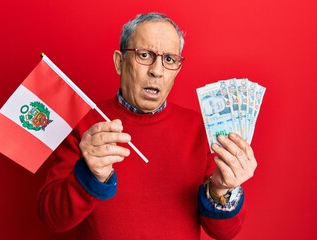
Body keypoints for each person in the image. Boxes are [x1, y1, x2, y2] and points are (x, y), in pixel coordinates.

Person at [38, 12, 257, 240]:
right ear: (119, 62)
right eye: (144, 55)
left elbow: (225, 232)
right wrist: (89, 175)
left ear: (177, 71)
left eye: (169, 60)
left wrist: (222, 190)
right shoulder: (87, 126)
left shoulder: (200, 130)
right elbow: (52, 219)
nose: (157, 70)